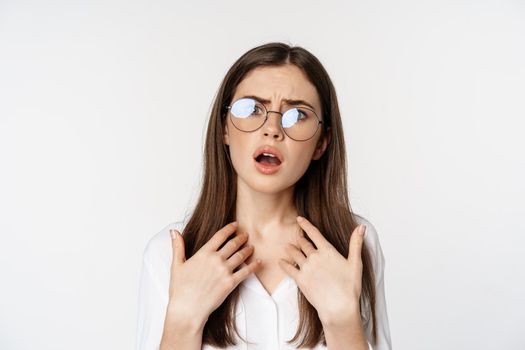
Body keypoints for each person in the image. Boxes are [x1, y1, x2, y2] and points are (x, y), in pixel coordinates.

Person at [136, 42, 392, 350]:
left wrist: (343, 320)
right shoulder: (168, 254)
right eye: (251, 109)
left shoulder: (353, 245)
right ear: (224, 129)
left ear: (322, 143)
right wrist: (183, 319)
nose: (272, 129)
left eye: (297, 115)